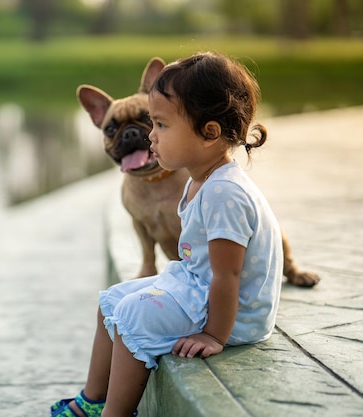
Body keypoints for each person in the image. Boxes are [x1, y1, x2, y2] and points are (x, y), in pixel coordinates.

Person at [51, 51, 283, 417]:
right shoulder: (201, 178)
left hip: (235, 316)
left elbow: (228, 275)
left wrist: (213, 335)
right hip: (199, 285)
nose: (150, 136)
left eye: (160, 125)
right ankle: (93, 401)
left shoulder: (225, 193)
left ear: (209, 133)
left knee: (130, 314)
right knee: (110, 301)